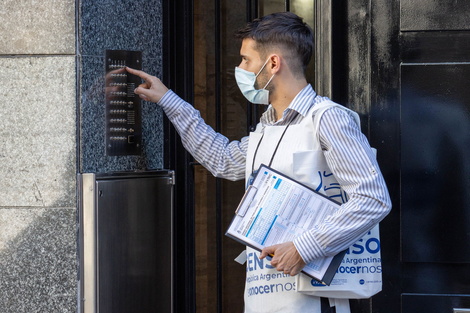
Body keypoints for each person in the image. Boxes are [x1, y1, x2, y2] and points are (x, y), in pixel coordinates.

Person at [127, 11, 391, 313]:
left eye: (246, 60)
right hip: (264, 296)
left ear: (273, 63)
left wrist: (304, 249)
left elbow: (372, 199)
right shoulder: (268, 127)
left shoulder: (327, 118)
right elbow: (223, 159)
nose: (240, 69)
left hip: (314, 300)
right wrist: (168, 100)